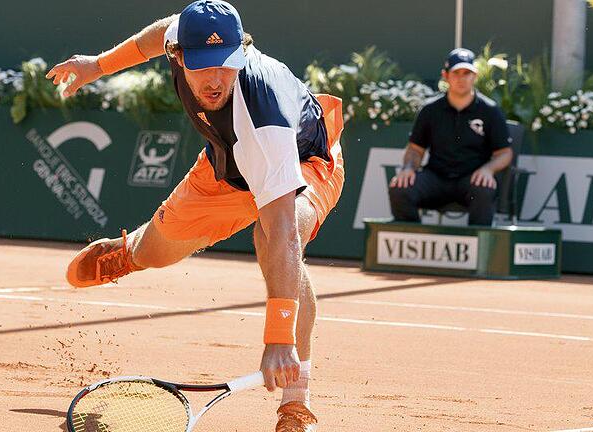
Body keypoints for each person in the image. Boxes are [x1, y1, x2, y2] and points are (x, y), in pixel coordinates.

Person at [46, 1, 344, 430]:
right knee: (156, 253)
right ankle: (129, 252)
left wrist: (277, 337)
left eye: (226, 64)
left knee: (274, 235)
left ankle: (295, 403)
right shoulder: (175, 38)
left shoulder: (266, 114)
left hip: (304, 160)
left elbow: (282, 233)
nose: (215, 78)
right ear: (178, 54)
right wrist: (99, 65)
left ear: (241, 50)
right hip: (226, 164)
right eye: (203, 65)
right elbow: (160, 32)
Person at [388, 48, 513, 226]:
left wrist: (488, 170)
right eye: (456, 73)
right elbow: (415, 149)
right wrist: (408, 168)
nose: (462, 79)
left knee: (485, 188)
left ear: (475, 76)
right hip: (436, 178)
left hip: (471, 180)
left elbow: (505, 153)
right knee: (400, 188)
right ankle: (412, 245)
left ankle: (479, 248)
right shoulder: (430, 110)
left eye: (467, 73)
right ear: (445, 76)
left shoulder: (490, 110)